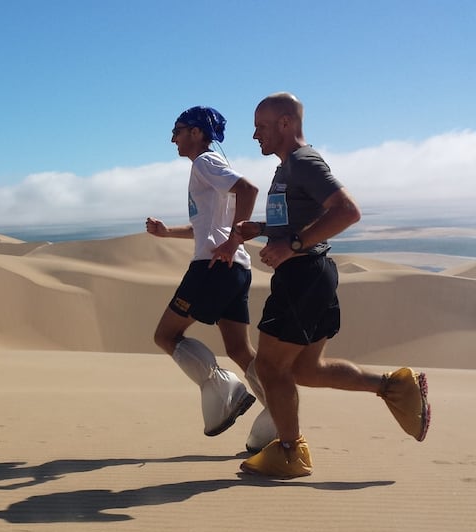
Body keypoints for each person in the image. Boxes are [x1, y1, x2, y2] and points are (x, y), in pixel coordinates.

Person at [236, 92, 431, 479]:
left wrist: (292, 245)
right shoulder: (287, 167)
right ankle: (394, 387)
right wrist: (261, 230)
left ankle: (290, 452)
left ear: (286, 124)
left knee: (271, 367)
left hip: (303, 277)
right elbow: (298, 219)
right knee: (307, 369)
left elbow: (347, 211)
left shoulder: (304, 162)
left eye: (261, 126)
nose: (255, 134)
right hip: (311, 275)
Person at [146, 106, 275, 450]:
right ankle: (278, 412)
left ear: (197, 133)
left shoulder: (205, 162)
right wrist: (166, 232)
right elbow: (207, 228)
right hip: (235, 270)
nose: (173, 137)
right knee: (238, 348)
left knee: (166, 335)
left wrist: (233, 241)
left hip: (213, 268)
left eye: (178, 129)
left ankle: (223, 388)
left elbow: (249, 190)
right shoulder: (210, 170)